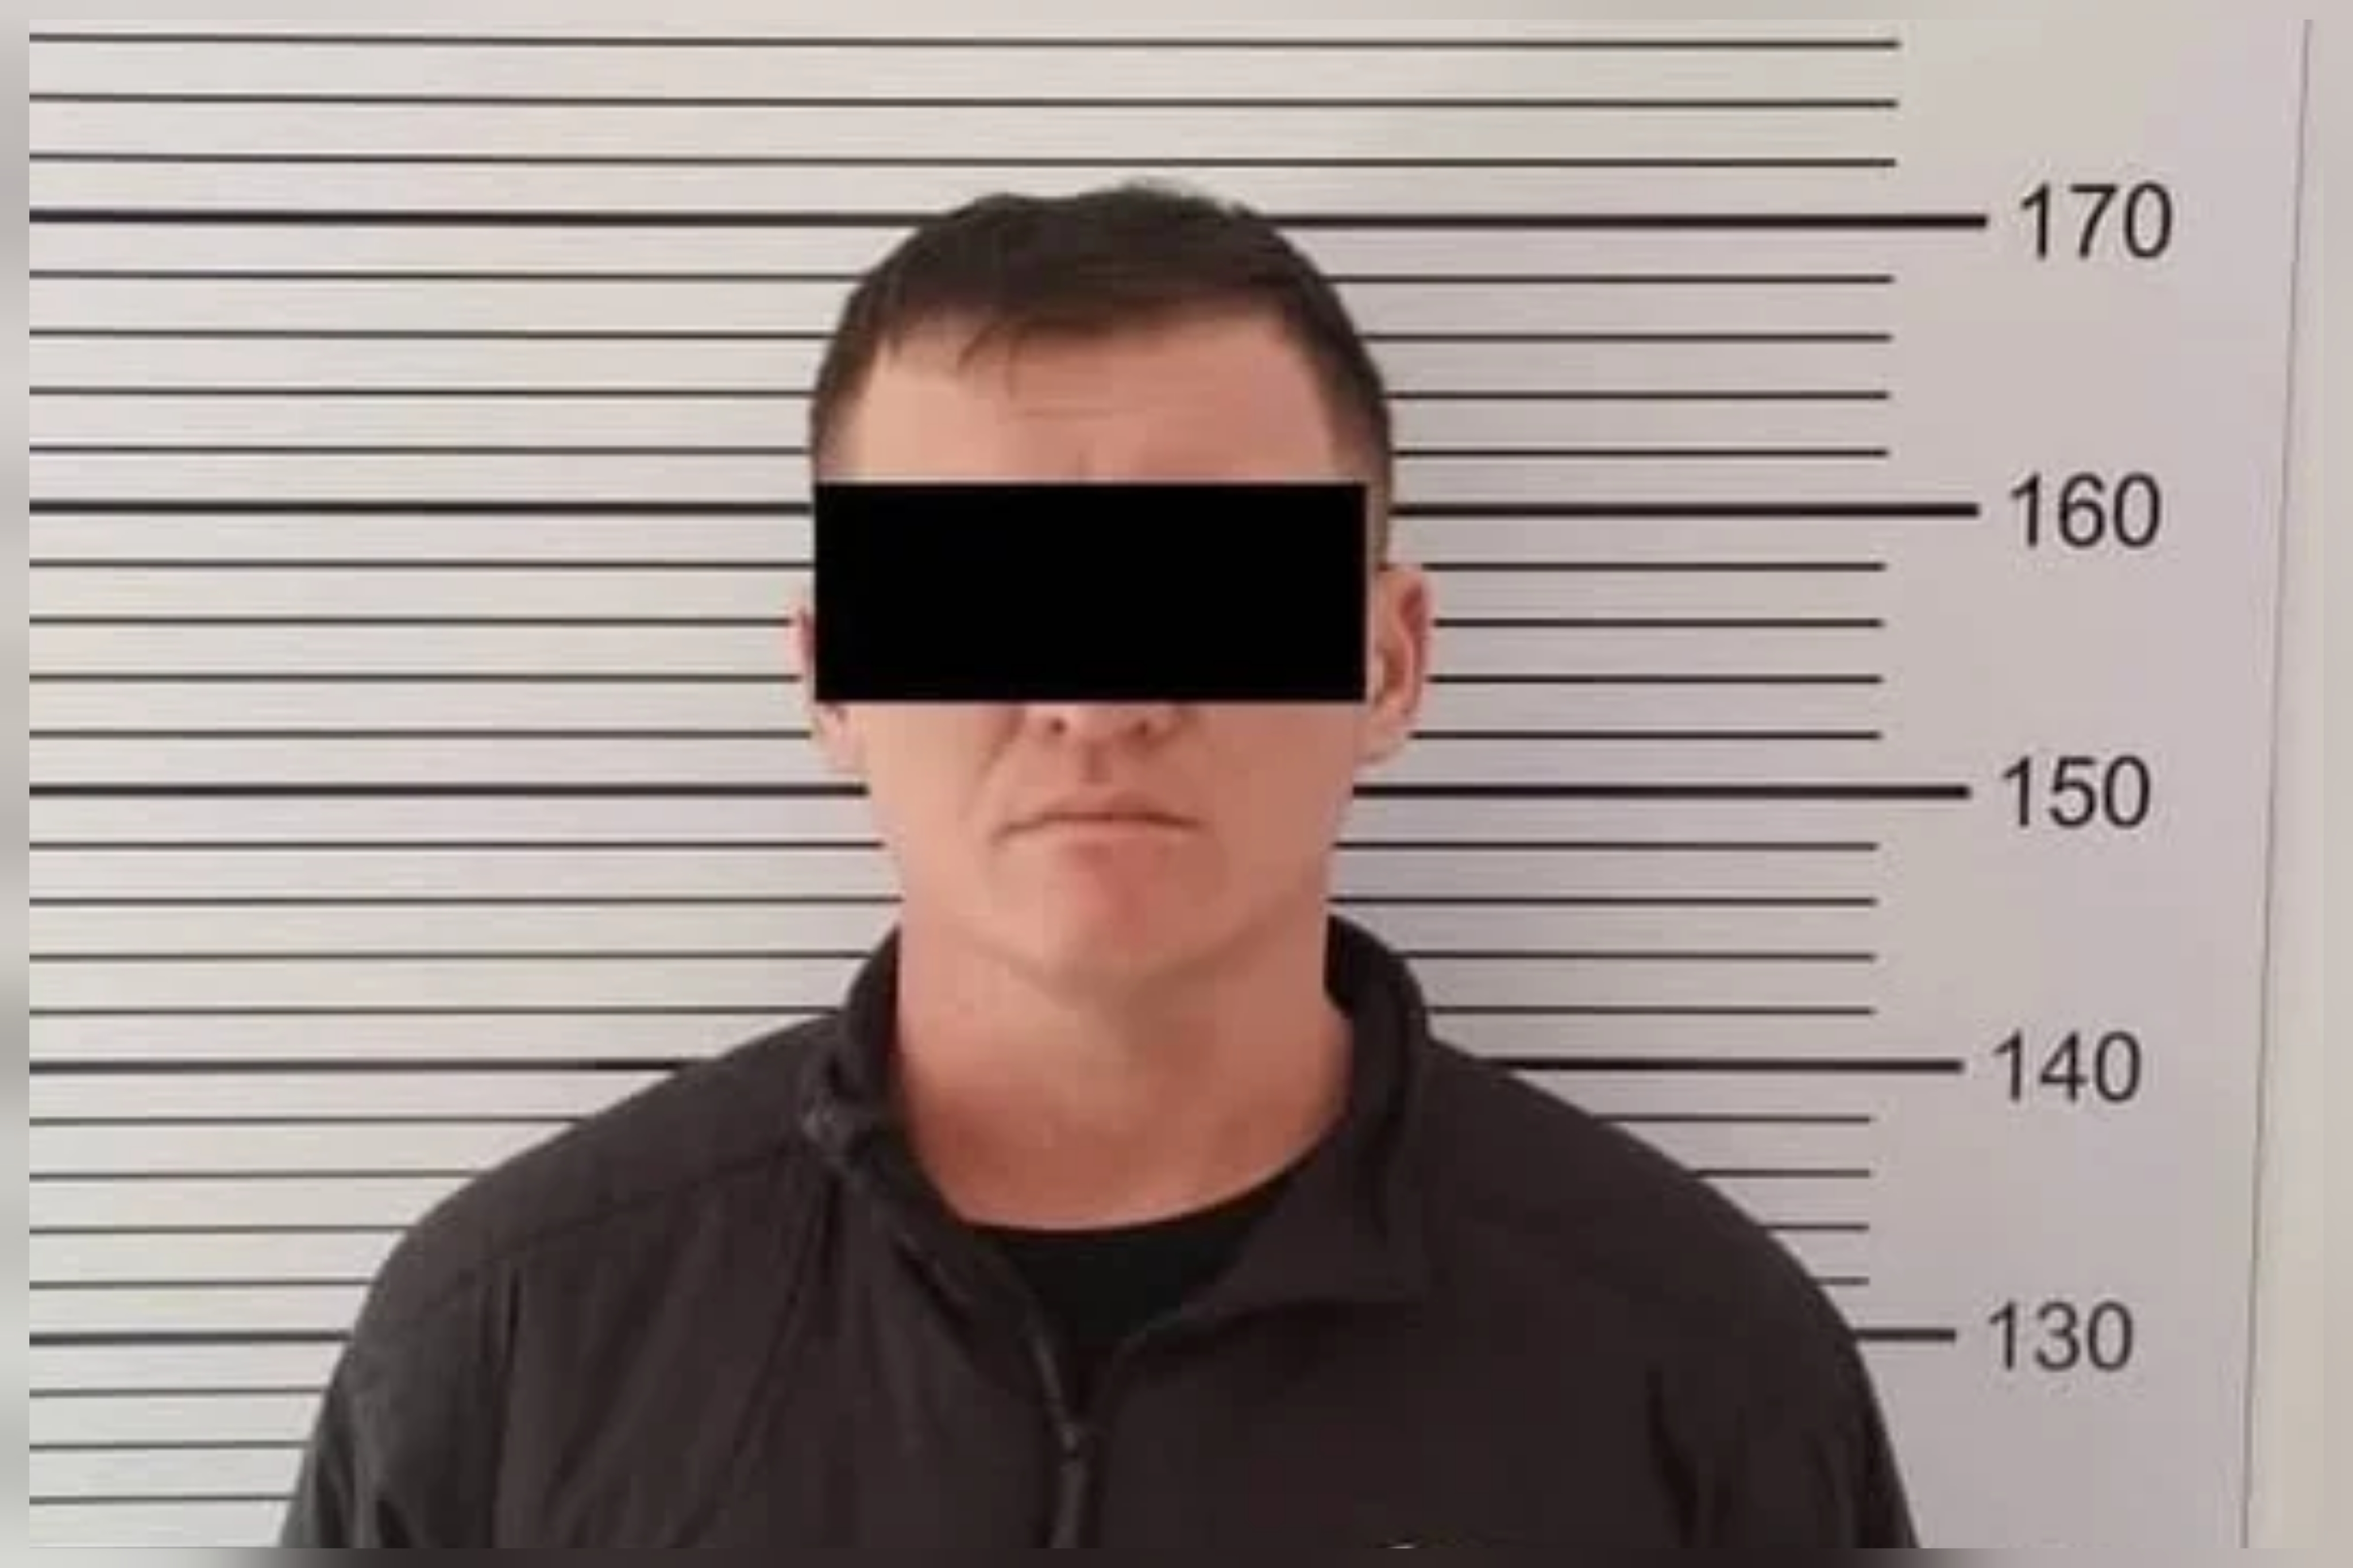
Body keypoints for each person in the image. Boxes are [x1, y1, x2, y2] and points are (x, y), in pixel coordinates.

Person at [276, 180, 1920, 1547]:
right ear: (833, 678)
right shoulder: (506, 1350)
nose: (1096, 694)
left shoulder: (1704, 1376)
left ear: (1389, 660)